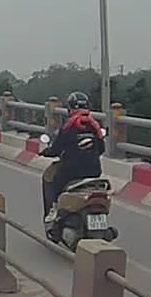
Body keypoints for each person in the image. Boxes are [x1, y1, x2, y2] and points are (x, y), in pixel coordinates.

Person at [40, 91, 105, 223]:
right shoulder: (95, 125)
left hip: (72, 171)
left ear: (70, 108)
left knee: (52, 181)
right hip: (94, 171)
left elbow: (56, 149)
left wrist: (45, 152)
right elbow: (101, 148)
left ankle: (53, 209)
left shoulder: (69, 126)